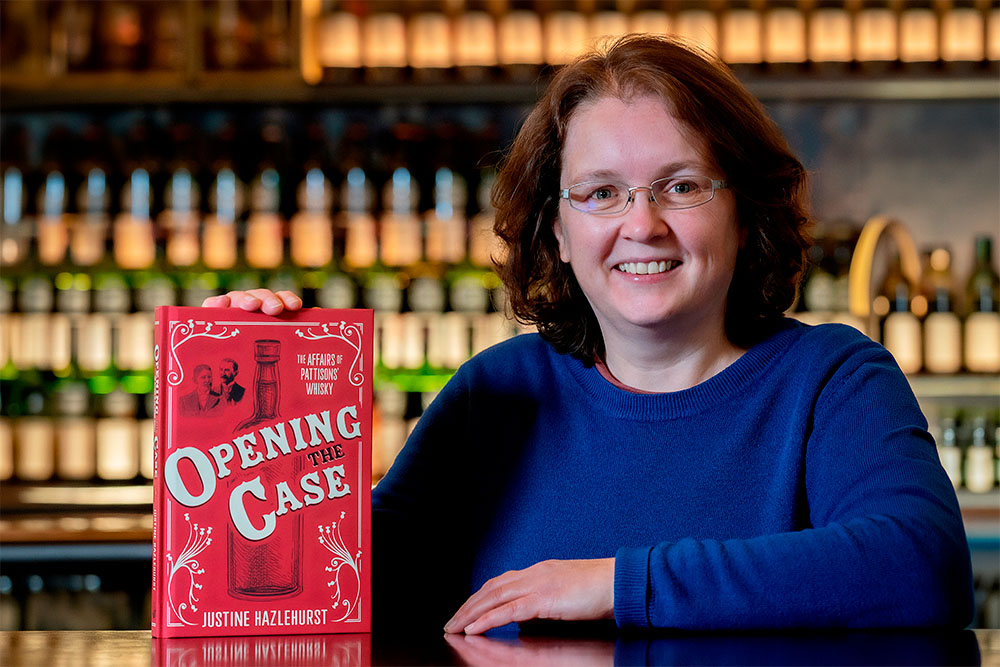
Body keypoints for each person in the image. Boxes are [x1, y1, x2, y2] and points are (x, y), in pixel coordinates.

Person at [203, 34, 973, 635]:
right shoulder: (496, 392)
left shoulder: (834, 379)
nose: (643, 224)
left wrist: (617, 583)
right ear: (558, 232)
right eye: (601, 193)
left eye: (681, 185)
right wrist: (243, 407)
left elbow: (922, 569)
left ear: (744, 213)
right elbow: (331, 587)